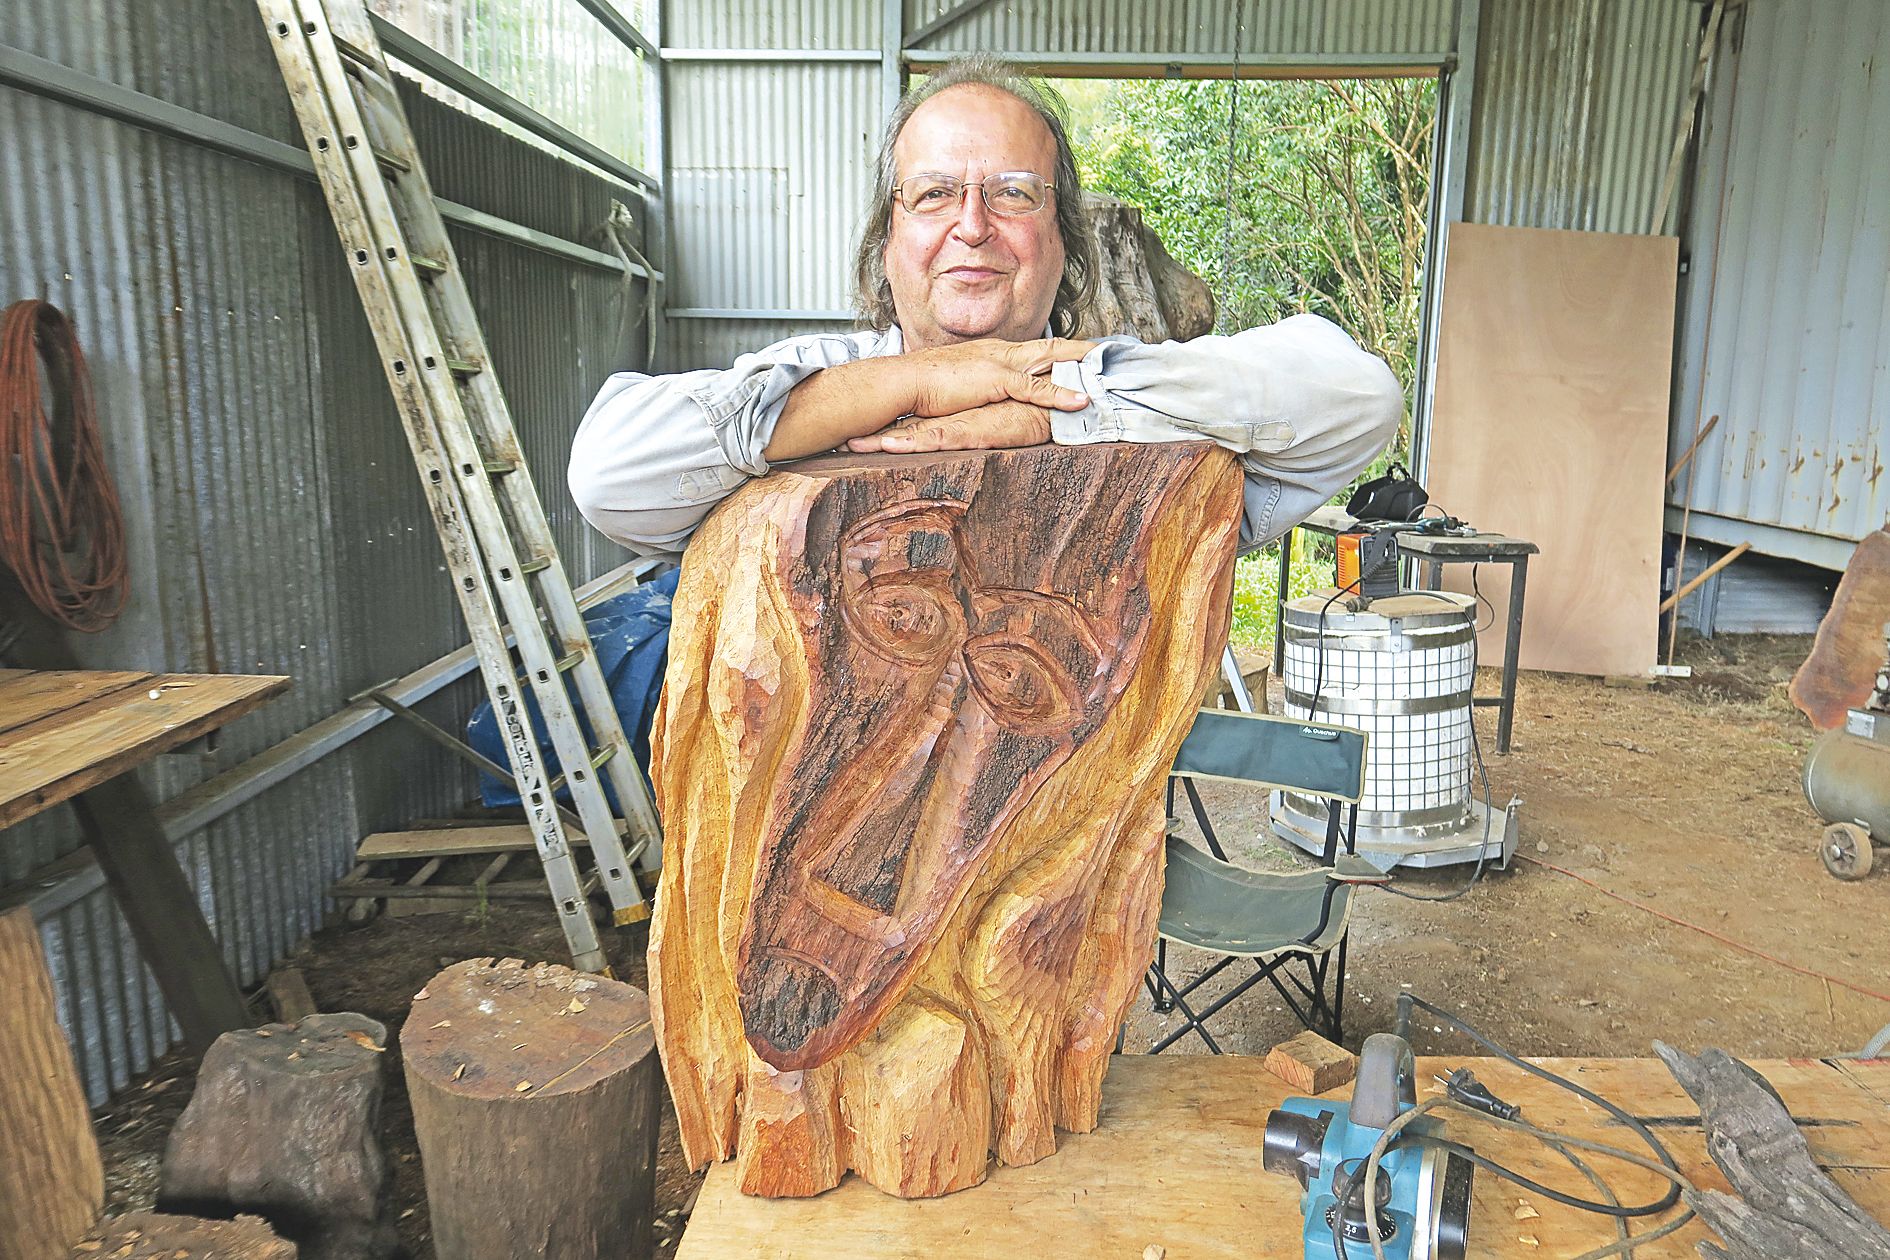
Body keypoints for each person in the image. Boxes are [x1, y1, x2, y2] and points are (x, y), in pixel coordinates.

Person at [569, 55, 1402, 559]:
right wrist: (919, 383)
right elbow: (608, 474)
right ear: (885, 243)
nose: (972, 226)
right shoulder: (824, 381)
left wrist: (1059, 413)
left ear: (1064, 241)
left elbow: (1361, 398)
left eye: (1013, 194)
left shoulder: (1132, 401)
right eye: (934, 194)